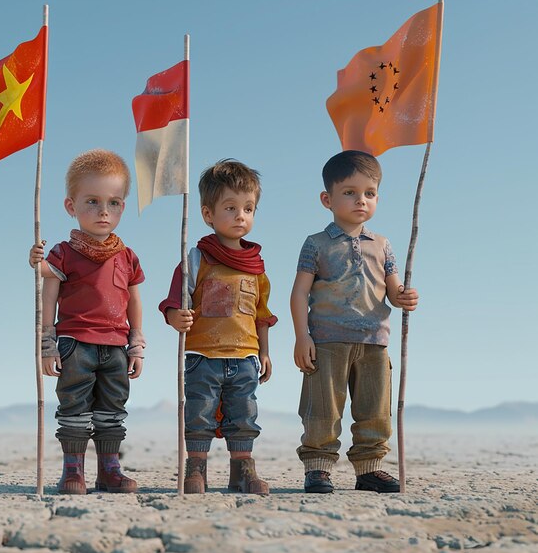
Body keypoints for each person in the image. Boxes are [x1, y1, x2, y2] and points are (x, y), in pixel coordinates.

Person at [290, 150, 419, 494]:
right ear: (327, 199)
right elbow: (300, 293)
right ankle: (318, 468)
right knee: (322, 410)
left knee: (375, 411)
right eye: (349, 192)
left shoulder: (383, 245)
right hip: (327, 341)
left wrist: (403, 296)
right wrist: (302, 337)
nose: (360, 200)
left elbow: (392, 291)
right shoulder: (316, 244)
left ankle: (369, 469)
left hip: (375, 342)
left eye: (369, 193)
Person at [29, 149, 146, 495]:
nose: (103, 211)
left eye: (112, 202)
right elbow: (47, 295)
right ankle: (72, 472)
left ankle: (109, 471)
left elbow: (134, 299)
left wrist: (137, 344)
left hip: (116, 347)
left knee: (112, 411)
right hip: (75, 345)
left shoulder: (127, 256)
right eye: (92, 201)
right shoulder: (63, 253)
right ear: (71, 206)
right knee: (74, 409)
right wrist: (46, 343)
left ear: (123, 206)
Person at [159, 159, 277, 495]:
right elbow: (171, 301)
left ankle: (242, 471)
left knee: (244, 415)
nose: (241, 215)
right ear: (208, 214)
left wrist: (265, 353)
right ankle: (195, 470)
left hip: (245, 357)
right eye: (231, 207)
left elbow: (262, 315)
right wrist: (175, 317)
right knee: (200, 413)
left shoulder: (257, 269)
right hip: (203, 356)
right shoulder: (197, 259)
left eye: (249, 208)